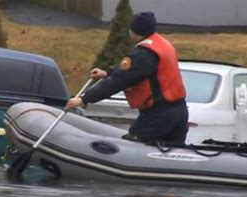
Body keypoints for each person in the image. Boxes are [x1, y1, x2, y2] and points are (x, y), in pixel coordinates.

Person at [65, 12, 188, 144]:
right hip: (179, 111)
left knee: (134, 143)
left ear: (136, 31)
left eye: (131, 29)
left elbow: (118, 81)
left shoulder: (144, 53)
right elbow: (132, 72)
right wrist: (106, 73)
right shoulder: (161, 45)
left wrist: (84, 99)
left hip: (159, 115)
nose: (129, 32)